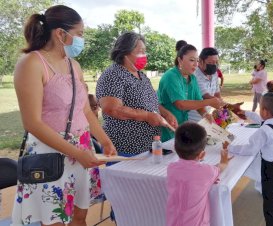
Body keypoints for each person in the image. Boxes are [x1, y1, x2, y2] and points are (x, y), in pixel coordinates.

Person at [12, 5, 116, 226]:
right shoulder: (31, 64)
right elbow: (32, 123)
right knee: (54, 220)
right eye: (79, 34)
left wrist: (104, 140)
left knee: (80, 215)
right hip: (50, 153)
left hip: (82, 148)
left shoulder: (74, 65)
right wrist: (76, 152)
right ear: (61, 33)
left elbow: (85, 110)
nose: (81, 40)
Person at [96, 31, 178, 157]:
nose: (144, 55)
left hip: (148, 147)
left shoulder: (142, 76)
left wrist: (166, 114)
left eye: (145, 51)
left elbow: (150, 103)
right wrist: (146, 116)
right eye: (140, 51)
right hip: (124, 148)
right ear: (124, 52)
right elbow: (112, 109)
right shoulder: (113, 75)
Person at [229, 93, 273, 226]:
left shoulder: (264, 131)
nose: (259, 111)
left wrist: (230, 147)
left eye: (260, 107)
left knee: (270, 209)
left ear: (265, 111)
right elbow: (261, 120)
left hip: (272, 173)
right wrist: (245, 113)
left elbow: (249, 149)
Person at [166, 122, 231, 226]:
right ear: (202, 154)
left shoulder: (171, 168)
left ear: (175, 147)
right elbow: (220, 168)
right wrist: (224, 161)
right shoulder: (207, 171)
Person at [157, 44, 223, 142]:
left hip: (182, 125)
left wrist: (205, 115)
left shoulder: (192, 78)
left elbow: (198, 103)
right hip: (167, 125)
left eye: (197, 61)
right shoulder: (171, 76)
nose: (196, 64)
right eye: (192, 60)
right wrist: (209, 102)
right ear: (180, 60)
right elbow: (180, 104)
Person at [188, 47, 222, 122]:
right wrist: (227, 105)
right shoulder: (194, 75)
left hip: (206, 116)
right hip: (192, 118)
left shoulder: (214, 74)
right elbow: (206, 96)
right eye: (210, 63)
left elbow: (217, 94)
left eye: (216, 62)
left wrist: (222, 110)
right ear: (200, 61)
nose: (214, 65)